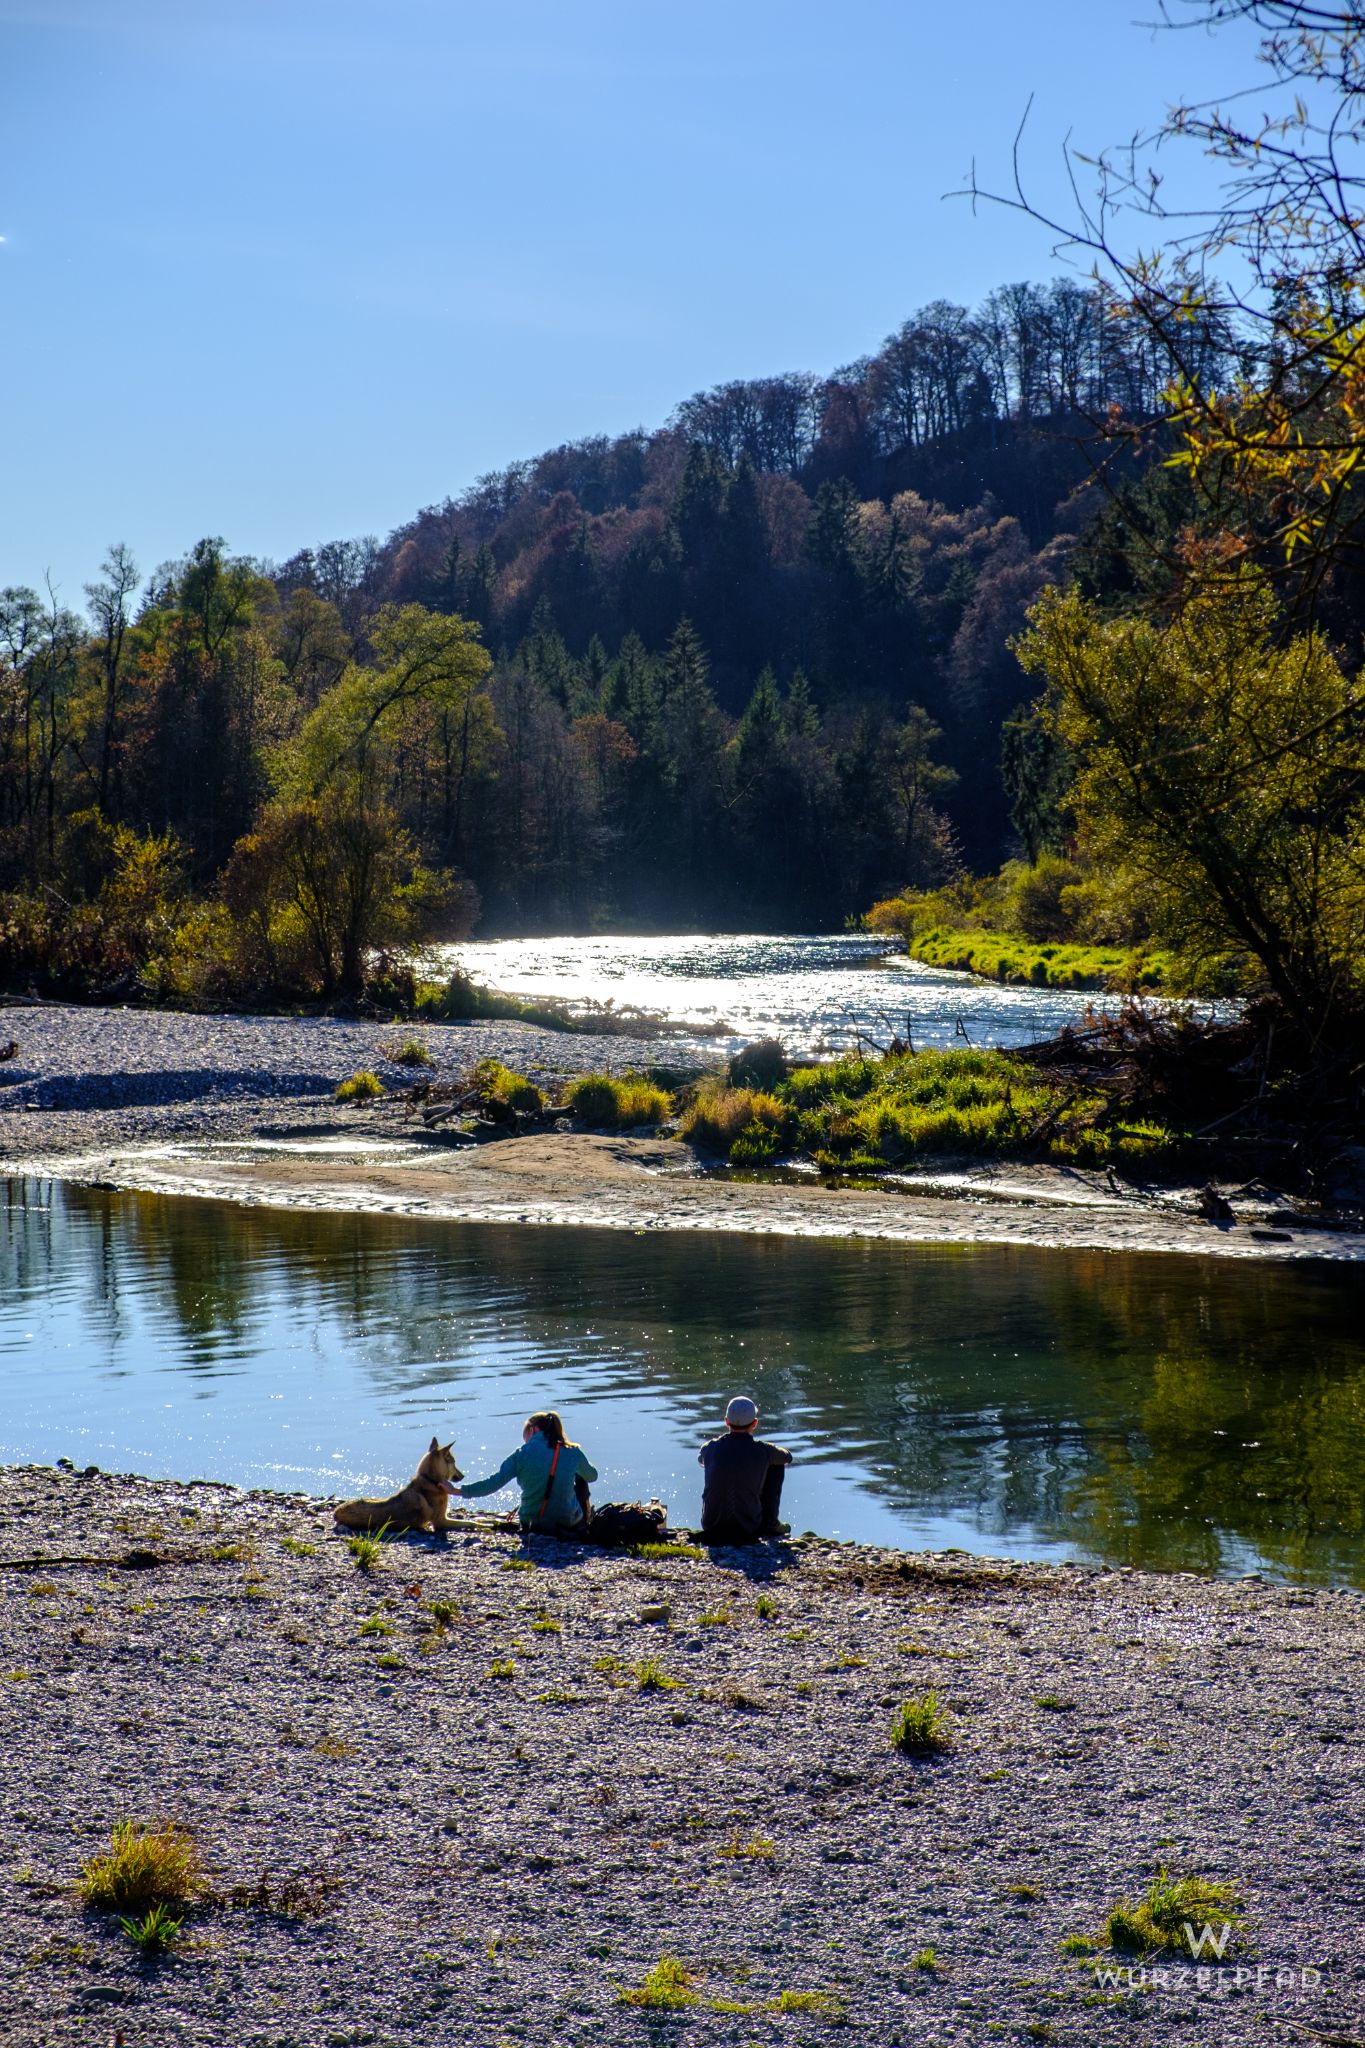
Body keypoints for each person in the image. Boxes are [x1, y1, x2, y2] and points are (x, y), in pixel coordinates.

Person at [456, 1410, 597, 1537]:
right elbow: (592, 1476)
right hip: (567, 1522)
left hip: (531, 1522)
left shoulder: (520, 1454)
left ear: (532, 1429)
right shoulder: (572, 1452)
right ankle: (584, 1520)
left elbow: (493, 1483)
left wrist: (458, 1491)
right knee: (580, 1476)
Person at [698, 1396, 792, 1544]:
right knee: (776, 1465)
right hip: (749, 1529)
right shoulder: (763, 1450)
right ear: (754, 1423)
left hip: (711, 1525)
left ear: (726, 1421)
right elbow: (787, 1457)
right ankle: (771, 1524)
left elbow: (701, 1459)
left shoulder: (710, 1447)